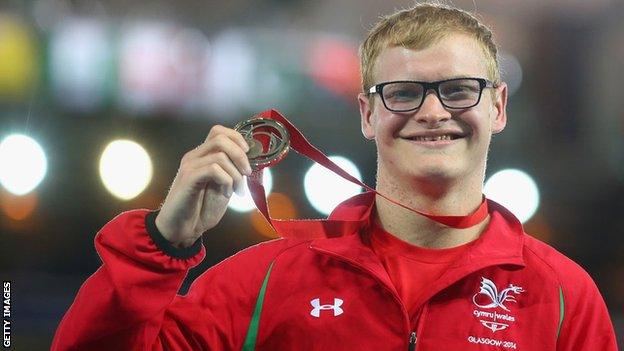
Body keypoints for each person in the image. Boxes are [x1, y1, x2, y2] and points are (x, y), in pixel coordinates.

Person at [52, 2, 618, 350]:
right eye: (402, 93)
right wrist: (160, 245)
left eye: (458, 89)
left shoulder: (563, 296)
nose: (432, 111)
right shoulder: (266, 283)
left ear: (497, 107)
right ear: (368, 115)